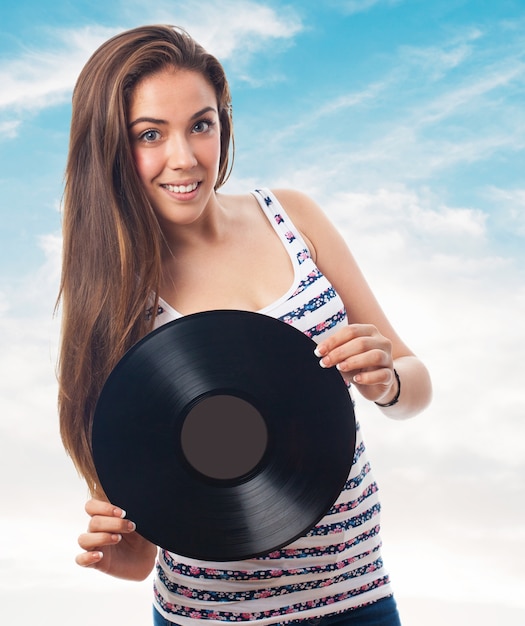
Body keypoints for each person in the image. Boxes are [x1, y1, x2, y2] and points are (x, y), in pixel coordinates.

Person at [57, 24, 432, 626]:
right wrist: (116, 553)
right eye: (150, 135)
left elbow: (414, 384)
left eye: (201, 124)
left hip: (359, 599)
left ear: (222, 124)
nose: (185, 158)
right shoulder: (113, 300)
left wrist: (388, 381)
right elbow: (140, 555)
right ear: (108, 148)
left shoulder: (292, 216)